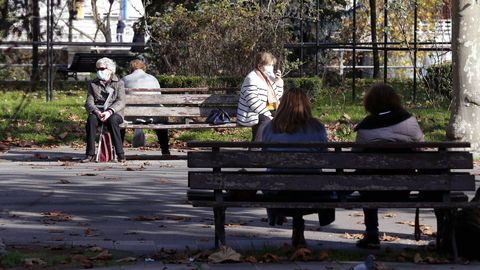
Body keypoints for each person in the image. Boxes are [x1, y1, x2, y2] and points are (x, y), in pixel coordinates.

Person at [260, 88, 335, 247]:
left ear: (283, 105)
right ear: (306, 105)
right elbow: (324, 156)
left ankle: (278, 215)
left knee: (274, 177)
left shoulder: (269, 127)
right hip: (312, 191)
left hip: (277, 191)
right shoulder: (317, 127)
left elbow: (265, 156)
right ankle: (301, 225)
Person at [354, 83, 424, 249]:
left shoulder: (365, 127)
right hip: (403, 187)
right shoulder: (409, 121)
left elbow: (356, 158)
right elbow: (422, 151)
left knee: (365, 176)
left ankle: (371, 233)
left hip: (372, 191)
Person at [121, 59, 170, 155]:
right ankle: (165, 149)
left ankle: (119, 150)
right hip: (152, 115)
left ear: (131, 68)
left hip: (130, 116)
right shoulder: (153, 79)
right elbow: (158, 97)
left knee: (120, 120)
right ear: (144, 68)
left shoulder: (124, 79)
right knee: (162, 120)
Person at [83, 57, 126, 163]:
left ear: (110, 69)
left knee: (112, 121)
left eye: (101, 69)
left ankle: (120, 154)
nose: (99, 71)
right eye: (97, 69)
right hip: (98, 111)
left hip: (114, 112)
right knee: (91, 120)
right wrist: (96, 112)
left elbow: (121, 101)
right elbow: (89, 102)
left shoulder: (119, 83)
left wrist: (109, 111)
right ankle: (90, 154)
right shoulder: (93, 84)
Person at [237, 52, 284, 141]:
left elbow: (277, 95)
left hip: (266, 109)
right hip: (251, 113)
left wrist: (278, 81)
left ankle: (279, 147)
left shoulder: (269, 77)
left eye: (272, 65)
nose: (272, 67)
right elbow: (253, 102)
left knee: (285, 115)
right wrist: (268, 115)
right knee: (265, 119)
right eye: (269, 65)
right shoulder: (251, 78)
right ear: (260, 66)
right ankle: (256, 148)